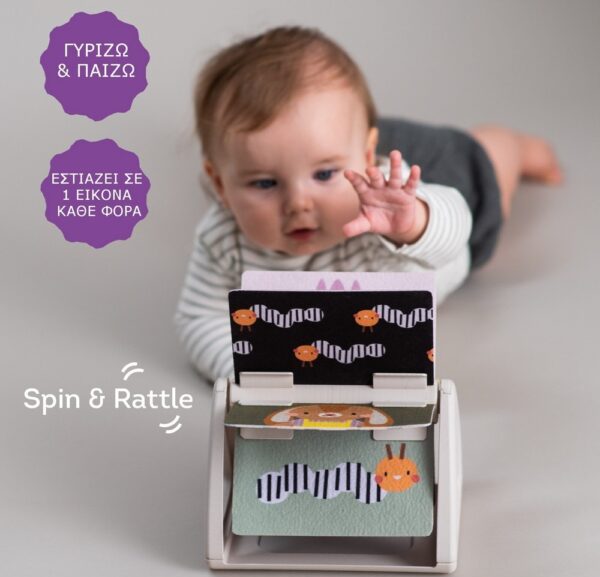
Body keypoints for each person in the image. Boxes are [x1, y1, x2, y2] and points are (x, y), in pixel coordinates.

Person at [175, 26, 562, 382]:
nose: (298, 204)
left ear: (366, 154)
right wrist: (250, 371)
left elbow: (457, 230)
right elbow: (199, 318)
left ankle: (510, 145)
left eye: (323, 175)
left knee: (487, 177)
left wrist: (415, 224)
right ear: (220, 184)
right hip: (348, 152)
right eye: (265, 183)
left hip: (414, 195)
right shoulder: (222, 240)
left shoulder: (384, 210)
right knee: (314, 141)